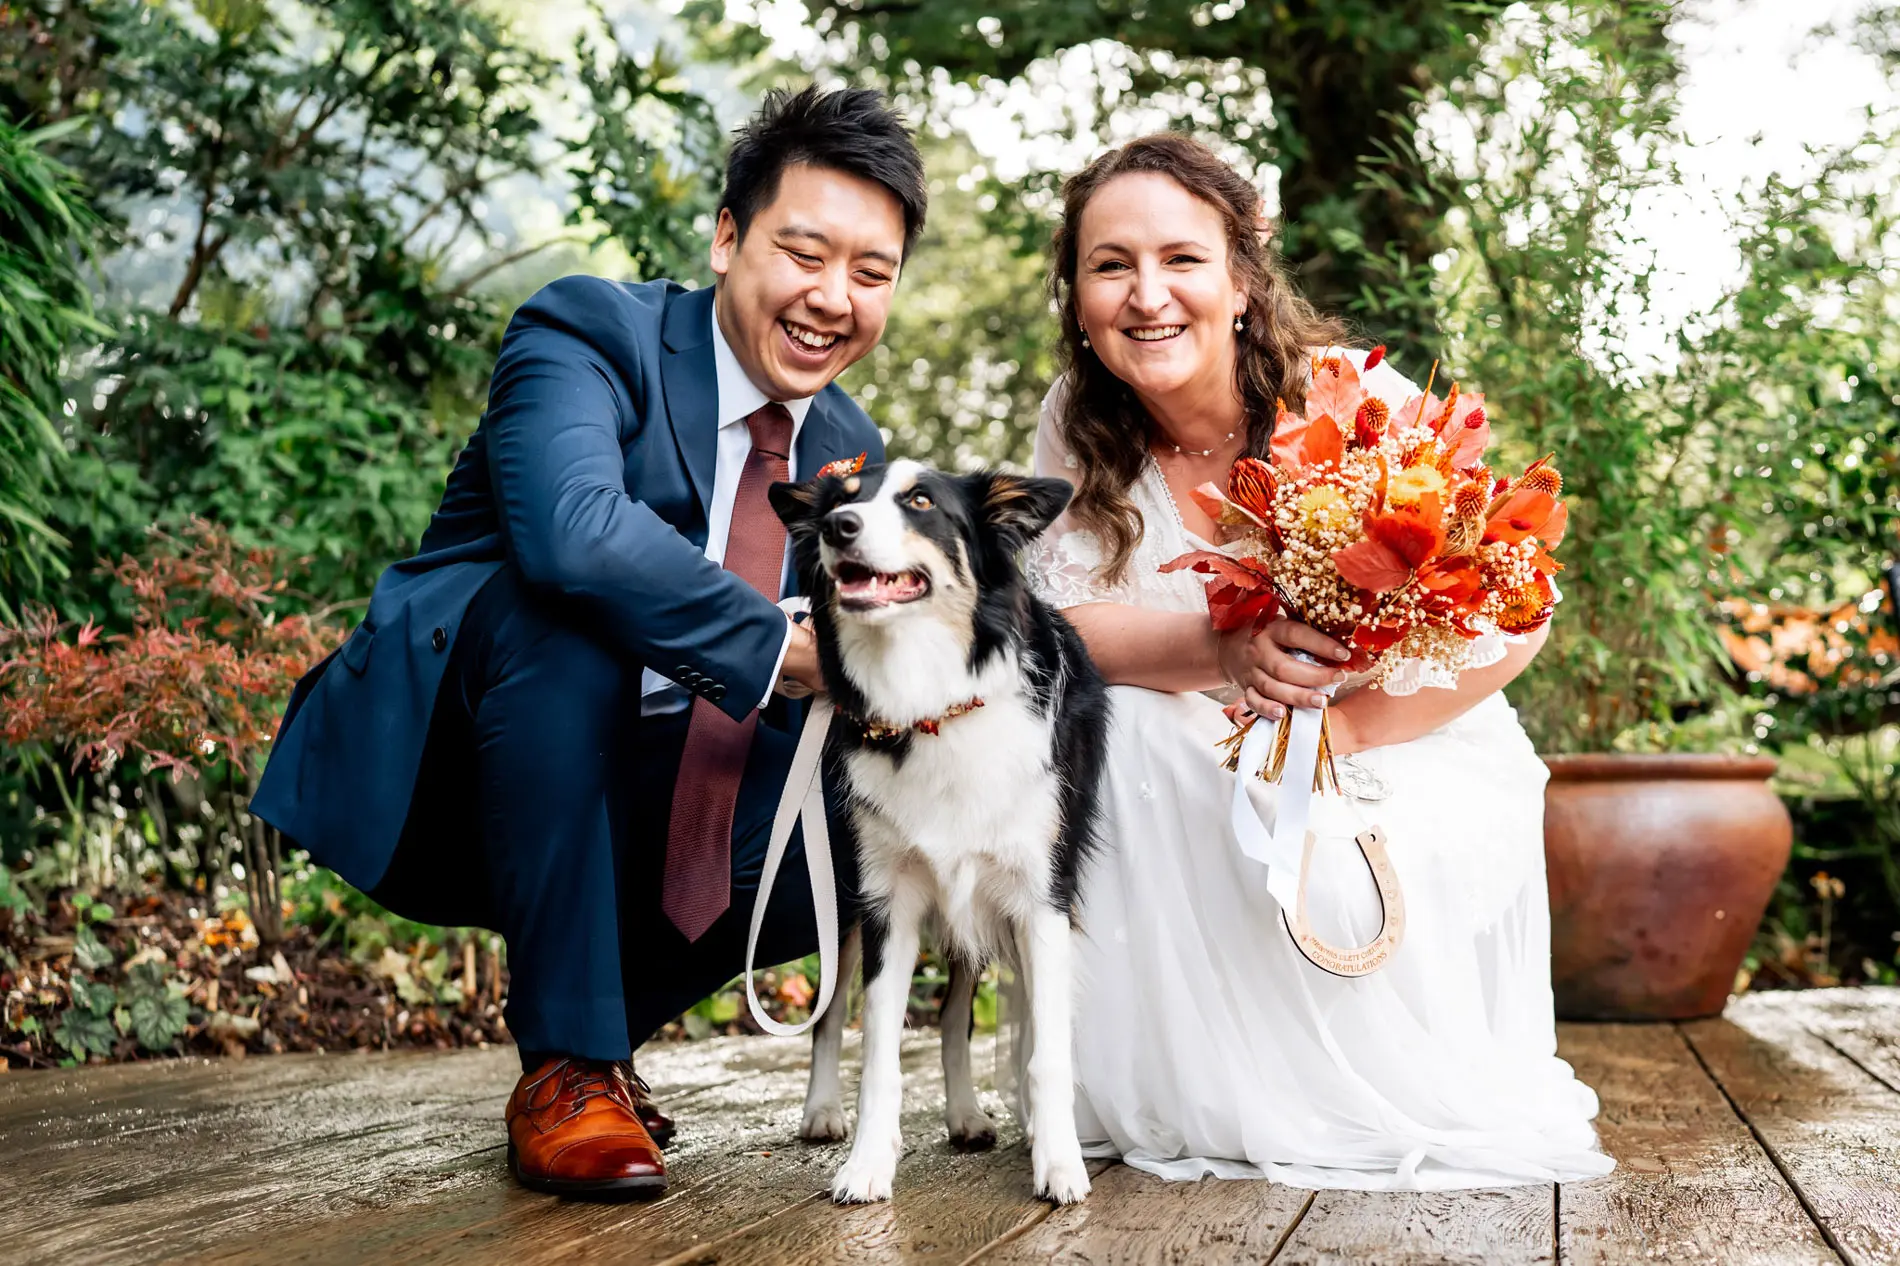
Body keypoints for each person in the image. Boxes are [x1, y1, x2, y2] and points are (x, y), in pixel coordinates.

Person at [252, 86, 926, 1199]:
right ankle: (568, 1065)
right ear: (725, 237)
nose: (831, 298)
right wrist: (788, 651)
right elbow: (571, 537)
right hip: (474, 751)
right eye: (803, 252)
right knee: (569, 622)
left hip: (666, 792)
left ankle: (592, 1054)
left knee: (876, 803)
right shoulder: (586, 330)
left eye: (871, 271)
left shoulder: (847, 444)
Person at [1024, 134, 1616, 1190]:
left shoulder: (1350, 400)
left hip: (1403, 731)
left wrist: (1336, 734)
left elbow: (1522, 611)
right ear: (1075, 296)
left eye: (1181, 260)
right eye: (1110, 265)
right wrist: (1222, 649)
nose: (1146, 295)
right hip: (1206, 724)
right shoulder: (1078, 425)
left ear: (1244, 282)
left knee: (1274, 811)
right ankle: (1185, 1095)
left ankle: (1344, 1095)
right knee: (1127, 738)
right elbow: (1058, 623)